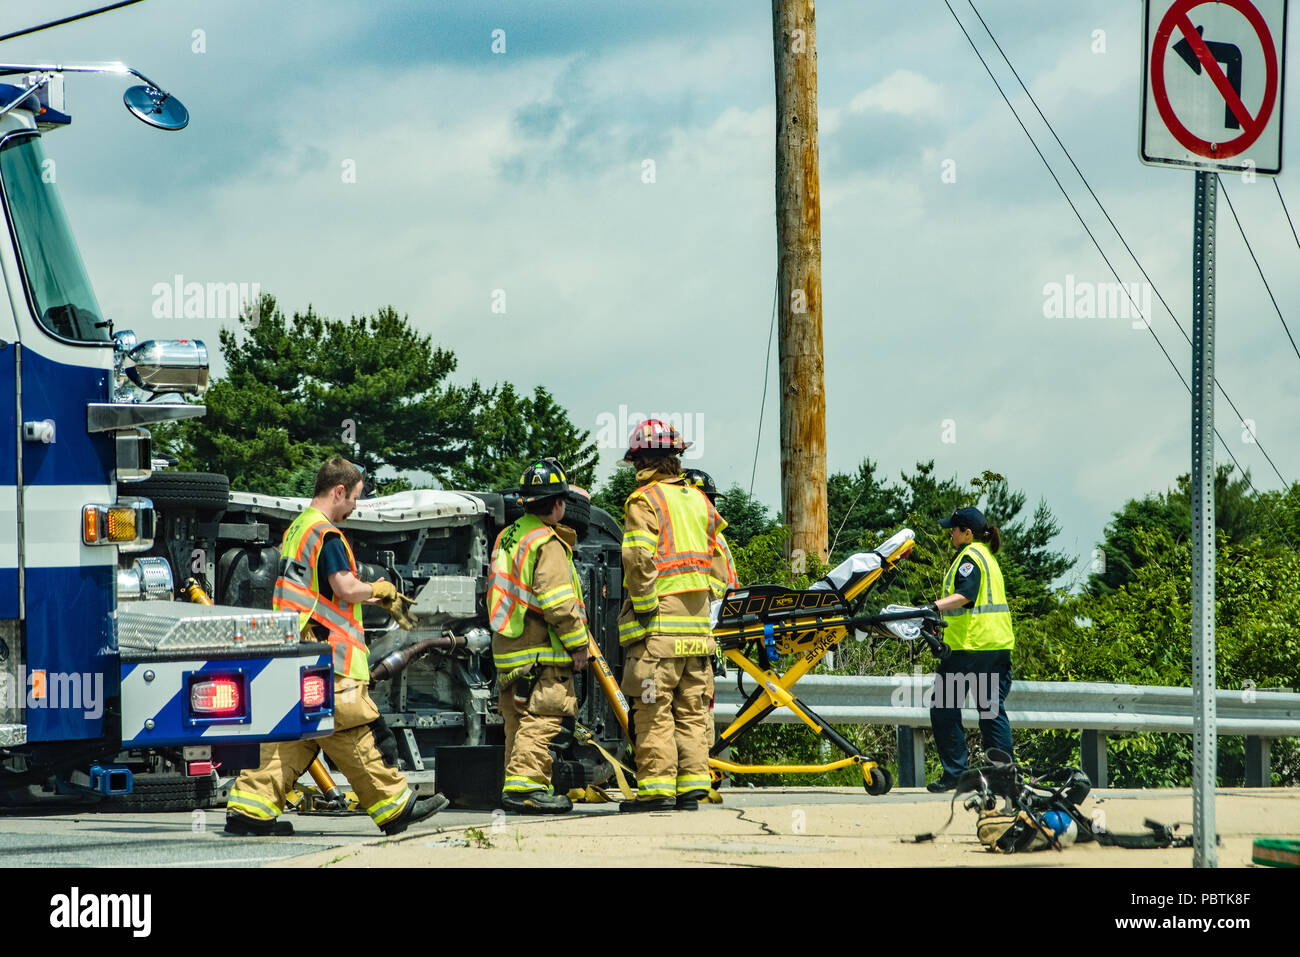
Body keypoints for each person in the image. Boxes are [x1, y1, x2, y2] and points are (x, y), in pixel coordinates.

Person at [226, 457, 449, 836]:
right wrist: (380, 590)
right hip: (328, 656)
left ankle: (251, 809)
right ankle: (395, 806)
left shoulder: (297, 529)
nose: (355, 508)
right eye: (355, 499)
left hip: (295, 649)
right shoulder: (327, 534)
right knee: (356, 729)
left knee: (295, 733)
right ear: (339, 491)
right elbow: (345, 588)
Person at [618, 421, 727, 812]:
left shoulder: (644, 501)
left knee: (653, 711)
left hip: (659, 633)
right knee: (692, 711)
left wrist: (645, 607)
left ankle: (656, 791)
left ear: (643, 460)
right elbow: (720, 563)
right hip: (698, 635)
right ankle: (693, 788)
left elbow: (637, 558)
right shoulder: (700, 501)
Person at [487, 458, 591, 814]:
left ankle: (520, 787)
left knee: (519, 722)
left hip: (509, 650)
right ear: (559, 504)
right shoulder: (547, 542)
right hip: (540, 650)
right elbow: (558, 603)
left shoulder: (511, 535)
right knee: (545, 717)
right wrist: (578, 645)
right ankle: (527, 789)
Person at [923, 506, 1015, 793]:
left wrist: (932, 607)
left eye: (954, 528)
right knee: (990, 711)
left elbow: (966, 595)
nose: (950, 532)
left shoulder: (969, 559)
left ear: (967, 532)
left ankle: (955, 774)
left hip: (970, 648)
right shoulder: (987, 556)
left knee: (944, 708)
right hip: (995, 645)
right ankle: (1003, 778)